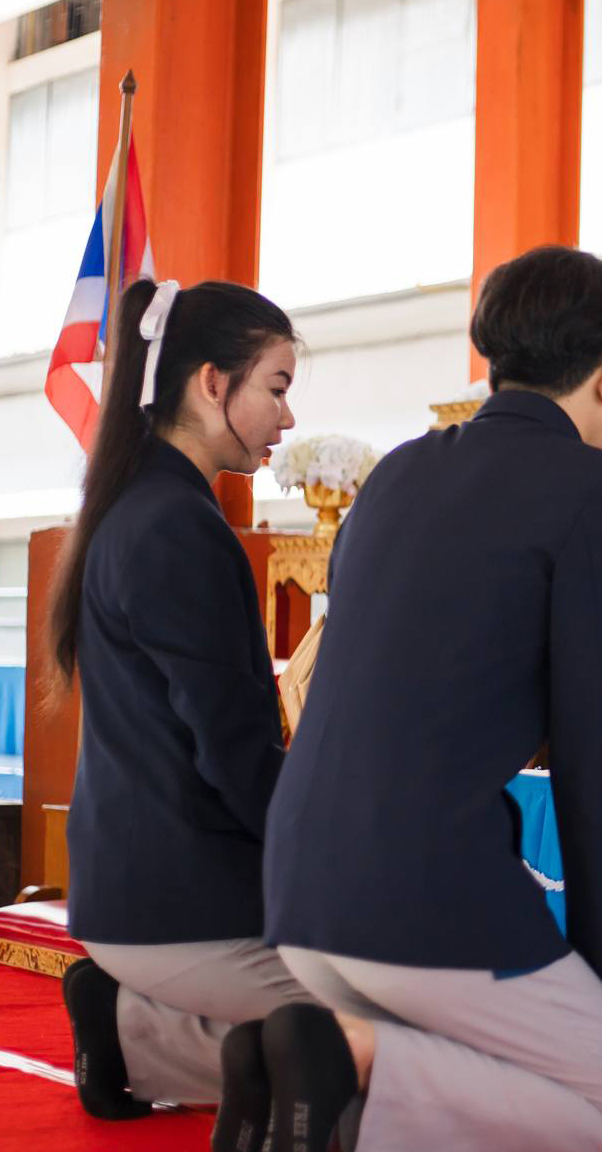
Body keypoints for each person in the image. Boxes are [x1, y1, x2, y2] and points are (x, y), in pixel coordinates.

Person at [248, 247, 602, 1152]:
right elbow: (595, 757)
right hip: (422, 892)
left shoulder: (399, 472)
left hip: (296, 884)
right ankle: (353, 1057)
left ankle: (337, 1065)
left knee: (469, 1077)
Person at [48, 276, 311, 1129]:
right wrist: (338, 850)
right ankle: (148, 1032)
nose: (288, 417)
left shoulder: (136, 507)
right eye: (276, 387)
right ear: (210, 383)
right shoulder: (175, 526)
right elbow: (234, 755)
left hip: (136, 891)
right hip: (183, 903)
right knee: (413, 1032)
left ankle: (128, 1030)